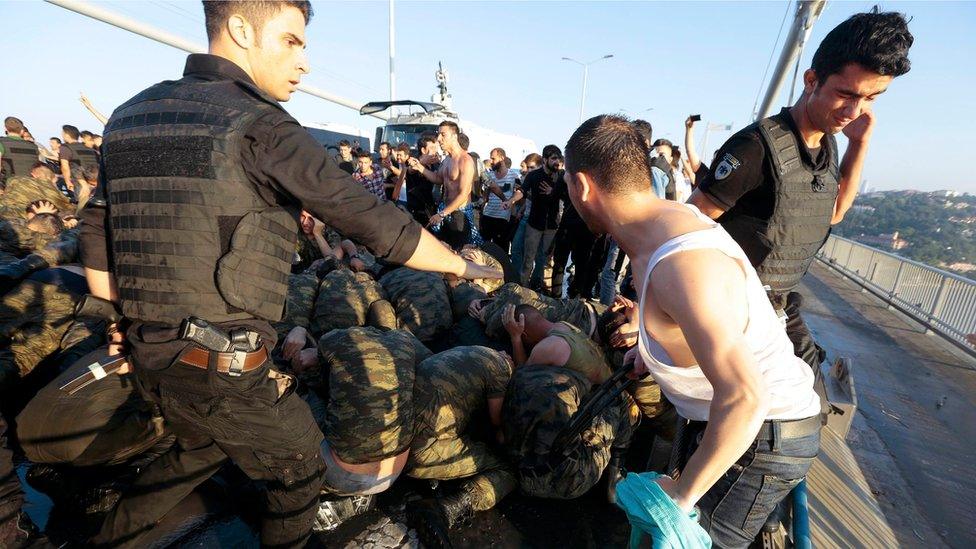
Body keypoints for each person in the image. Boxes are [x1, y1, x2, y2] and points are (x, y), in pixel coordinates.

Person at [79, 2, 499, 546]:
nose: (304, 63)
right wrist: (464, 265)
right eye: (292, 41)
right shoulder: (261, 126)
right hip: (220, 360)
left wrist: (122, 319)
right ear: (239, 29)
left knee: (201, 447)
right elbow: (373, 222)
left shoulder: (131, 114)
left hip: (147, 349)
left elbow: (98, 227)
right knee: (299, 471)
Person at [563, 114, 822, 547]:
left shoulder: (684, 265)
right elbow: (691, 322)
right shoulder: (660, 229)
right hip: (717, 416)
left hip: (760, 432)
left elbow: (744, 397)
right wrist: (652, 350)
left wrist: (680, 499)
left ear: (581, 187)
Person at [688, 11, 913, 381]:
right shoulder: (754, 147)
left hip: (780, 307)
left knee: (810, 404)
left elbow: (834, 212)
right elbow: (687, 225)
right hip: (731, 314)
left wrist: (860, 144)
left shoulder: (829, 144)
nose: (854, 112)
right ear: (811, 80)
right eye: (846, 94)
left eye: (872, 98)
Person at [406, 346, 517, 547]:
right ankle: (448, 508)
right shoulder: (501, 371)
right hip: (420, 451)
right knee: (508, 469)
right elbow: (497, 422)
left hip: (395, 436)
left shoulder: (474, 352)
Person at [502, 303, 612, 385]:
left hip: (603, 395)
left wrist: (515, 337)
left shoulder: (548, 347)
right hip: (611, 379)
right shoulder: (564, 325)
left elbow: (521, 375)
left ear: (524, 335)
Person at [409, 121, 475, 250]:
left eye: (443, 135)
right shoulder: (447, 160)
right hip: (445, 211)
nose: (439, 139)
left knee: (458, 253)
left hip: (459, 215)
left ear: (454, 136)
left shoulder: (465, 160)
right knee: (442, 250)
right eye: (438, 134)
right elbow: (438, 179)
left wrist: (442, 214)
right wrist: (419, 167)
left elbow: (464, 193)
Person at [519, 145, 564, 290]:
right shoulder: (534, 175)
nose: (557, 162)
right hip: (534, 224)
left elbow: (568, 196)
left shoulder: (562, 176)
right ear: (545, 160)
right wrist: (511, 201)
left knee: (544, 259)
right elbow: (523, 191)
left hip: (551, 225)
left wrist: (553, 191)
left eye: (558, 158)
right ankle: (523, 287)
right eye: (553, 158)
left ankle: (537, 286)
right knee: (528, 258)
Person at [479, 148, 521, 250]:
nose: (491, 162)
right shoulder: (490, 175)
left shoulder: (514, 176)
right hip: (488, 215)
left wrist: (511, 203)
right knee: (484, 248)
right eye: (490, 159)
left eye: (493, 159)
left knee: (501, 250)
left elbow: (519, 194)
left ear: (502, 158)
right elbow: (486, 195)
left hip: (503, 219)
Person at [58, 124, 97, 192]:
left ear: (67, 135)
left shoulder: (65, 148)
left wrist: (67, 182)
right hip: (95, 181)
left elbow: (65, 167)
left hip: (80, 181)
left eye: (62, 133)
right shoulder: (89, 149)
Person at [0, 117, 40, 182]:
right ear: (22, 131)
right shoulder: (33, 146)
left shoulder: (1, 143)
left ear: (6, 128)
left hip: (10, 185)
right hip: (31, 186)